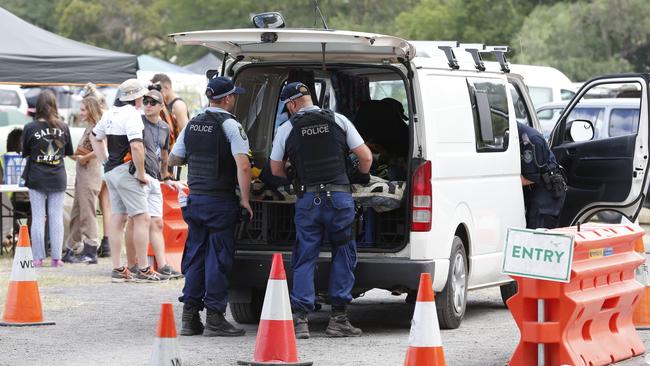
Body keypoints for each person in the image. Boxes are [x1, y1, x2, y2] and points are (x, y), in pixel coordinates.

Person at [269, 82, 372, 339]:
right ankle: (338, 319)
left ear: (292, 104)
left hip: (308, 200)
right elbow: (366, 157)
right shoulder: (338, 120)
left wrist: (292, 174)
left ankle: (301, 321)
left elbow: (275, 170)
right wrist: (358, 175)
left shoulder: (287, 128)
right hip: (339, 198)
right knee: (343, 252)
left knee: (305, 255)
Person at [169, 76, 252, 337]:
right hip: (220, 201)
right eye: (233, 96)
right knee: (218, 259)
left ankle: (189, 318)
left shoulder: (192, 123)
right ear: (227, 98)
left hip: (196, 200)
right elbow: (244, 165)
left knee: (195, 257)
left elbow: (175, 157)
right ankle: (215, 318)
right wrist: (246, 200)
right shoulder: (230, 124)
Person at [90, 79, 164, 283]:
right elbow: (137, 147)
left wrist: (105, 160)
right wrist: (141, 173)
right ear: (137, 97)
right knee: (142, 218)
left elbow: (94, 136)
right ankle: (143, 269)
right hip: (126, 171)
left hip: (112, 171)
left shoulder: (110, 113)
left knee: (118, 217)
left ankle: (118, 268)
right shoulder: (132, 115)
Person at [124, 89, 183, 279]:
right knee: (134, 221)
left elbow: (164, 153)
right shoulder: (136, 122)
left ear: (161, 106)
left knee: (157, 222)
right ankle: (133, 265)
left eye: (152, 102)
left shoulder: (165, 127)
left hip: (154, 178)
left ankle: (163, 265)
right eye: (145, 101)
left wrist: (166, 176)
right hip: (136, 177)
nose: (147, 105)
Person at [21, 90, 74, 267]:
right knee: (55, 216)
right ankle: (56, 258)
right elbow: (68, 153)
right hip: (57, 177)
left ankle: (37, 258)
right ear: (54, 105)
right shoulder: (63, 127)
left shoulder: (30, 127)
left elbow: (25, 153)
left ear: (38, 106)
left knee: (37, 217)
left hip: (36, 177)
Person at [62, 96, 104, 264]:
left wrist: (84, 158)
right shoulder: (89, 128)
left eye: (83, 109)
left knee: (87, 214)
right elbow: (80, 154)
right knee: (76, 214)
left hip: (90, 177)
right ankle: (71, 248)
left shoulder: (97, 128)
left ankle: (91, 250)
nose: (80, 113)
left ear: (91, 110)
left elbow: (101, 149)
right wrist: (66, 152)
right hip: (82, 176)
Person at [81, 83, 111, 258]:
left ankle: (92, 243)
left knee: (92, 205)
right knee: (105, 204)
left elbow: (101, 146)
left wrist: (84, 157)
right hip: (109, 164)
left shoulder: (97, 121)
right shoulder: (108, 115)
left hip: (98, 166)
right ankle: (107, 242)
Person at [518, 122, 567, 229]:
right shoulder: (520, 135)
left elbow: (530, 178)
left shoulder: (531, 140)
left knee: (538, 235)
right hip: (538, 191)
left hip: (546, 195)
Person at [150, 73, 189, 144]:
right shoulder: (163, 103)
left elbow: (186, 133)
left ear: (166, 87)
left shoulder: (178, 105)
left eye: (158, 89)